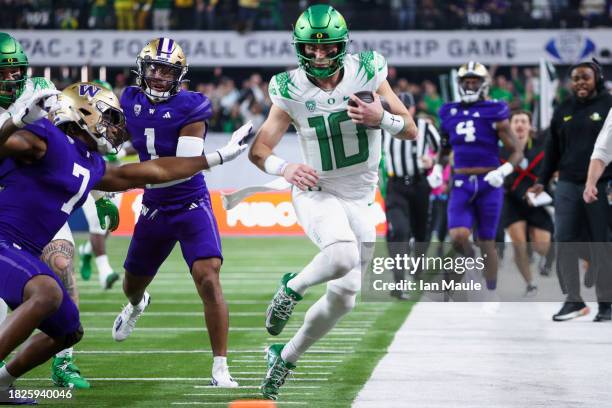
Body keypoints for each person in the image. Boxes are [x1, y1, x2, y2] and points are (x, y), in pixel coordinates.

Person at [0, 81, 247, 403]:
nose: (115, 128)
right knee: (46, 292)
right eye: (108, 118)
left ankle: (3, 383)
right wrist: (15, 122)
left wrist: (217, 157)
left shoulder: (91, 162)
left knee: (68, 331)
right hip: (4, 241)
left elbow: (154, 170)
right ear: (83, 113)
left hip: (24, 251)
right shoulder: (46, 137)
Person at [248, 5, 417, 400]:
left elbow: (408, 128)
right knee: (340, 256)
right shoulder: (289, 88)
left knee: (345, 297)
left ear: (343, 46)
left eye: (327, 49)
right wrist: (284, 167)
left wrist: (382, 118)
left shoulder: (369, 70)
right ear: (299, 48)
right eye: (311, 49)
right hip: (317, 188)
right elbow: (260, 150)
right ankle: (291, 288)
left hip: (361, 198)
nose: (319, 56)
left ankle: (284, 358)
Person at [111, 38, 245, 387]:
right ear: (142, 69)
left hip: (189, 204)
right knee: (131, 286)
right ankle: (138, 304)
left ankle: (220, 367)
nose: (158, 76)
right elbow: (114, 139)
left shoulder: (192, 106)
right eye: (154, 67)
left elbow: (182, 167)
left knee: (209, 278)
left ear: (179, 75)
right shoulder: (128, 100)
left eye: (167, 70)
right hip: (153, 208)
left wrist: (123, 177)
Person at [0, 32, 121, 389]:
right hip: (8, 197)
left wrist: (98, 192)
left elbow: (74, 142)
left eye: (14, 71)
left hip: (43, 191)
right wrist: (16, 122)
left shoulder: (39, 88)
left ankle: (63, 359)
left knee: (60, 265)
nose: (10, 79)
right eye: (2, 73)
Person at [430, 61, 522, 304]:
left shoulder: (495, 110)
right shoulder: (448, 111)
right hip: (460, 180)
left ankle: (490, 289)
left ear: (484, 84)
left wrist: (504, 170)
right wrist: (439, 167)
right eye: (466, 82)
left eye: (474, 81)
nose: (470, 85)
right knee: (458, 235)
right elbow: (445, 145)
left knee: (486, 240)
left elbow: (517, 150)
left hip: (489, 181)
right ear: (460, 84)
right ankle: (469, 269)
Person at [532, 59, 612, 322]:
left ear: (597, 79)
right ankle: (573, 301)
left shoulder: (608, 105)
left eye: (585, 77)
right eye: (576, 78)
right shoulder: (563, 109)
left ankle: (606, 305)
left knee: (601, 243)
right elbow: (551, 150)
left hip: (602, 185)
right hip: (566, 183)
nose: (580, 83)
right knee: (564, 239)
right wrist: (541, 180)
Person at [383, 112, 441, 300]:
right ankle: (399, 283)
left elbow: (443, 146)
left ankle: (418, 268)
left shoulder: (424, 126)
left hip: (419, 185)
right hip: (396, 185)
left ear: (413, 108)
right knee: (399, 231)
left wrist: (433, 161)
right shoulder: (384, 125)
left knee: (421, 233)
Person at [502, 110, 553, 297]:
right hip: (513, 202)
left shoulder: (541, 147)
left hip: (537, 202)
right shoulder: (503, 149)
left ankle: (539, 252)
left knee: (542, 247)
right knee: (518, 245)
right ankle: (530, 283)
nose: (520, 125)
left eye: (524, 121)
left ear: (530, 126)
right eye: (516, 121)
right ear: (510, 125)